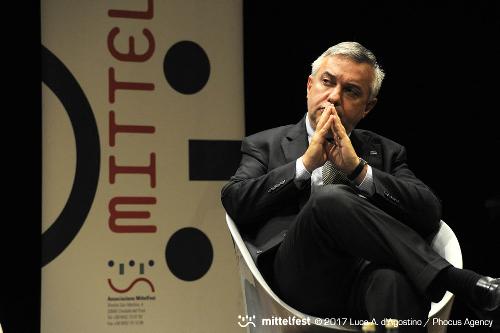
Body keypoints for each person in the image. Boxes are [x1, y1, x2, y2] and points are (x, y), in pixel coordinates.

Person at [221, 41, 499, 332]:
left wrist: (358, 171)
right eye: (328, 82)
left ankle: (439, 278)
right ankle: (453, 279)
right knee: (329, 199)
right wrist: (304, 165)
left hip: (363, 277)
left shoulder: (386, 152)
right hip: (298, 278)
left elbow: (428, 212)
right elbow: (235, 200)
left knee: (396, 283)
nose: (334, 97)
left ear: (367, 107)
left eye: (351, 91)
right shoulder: (264, 145)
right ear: (309, 85)